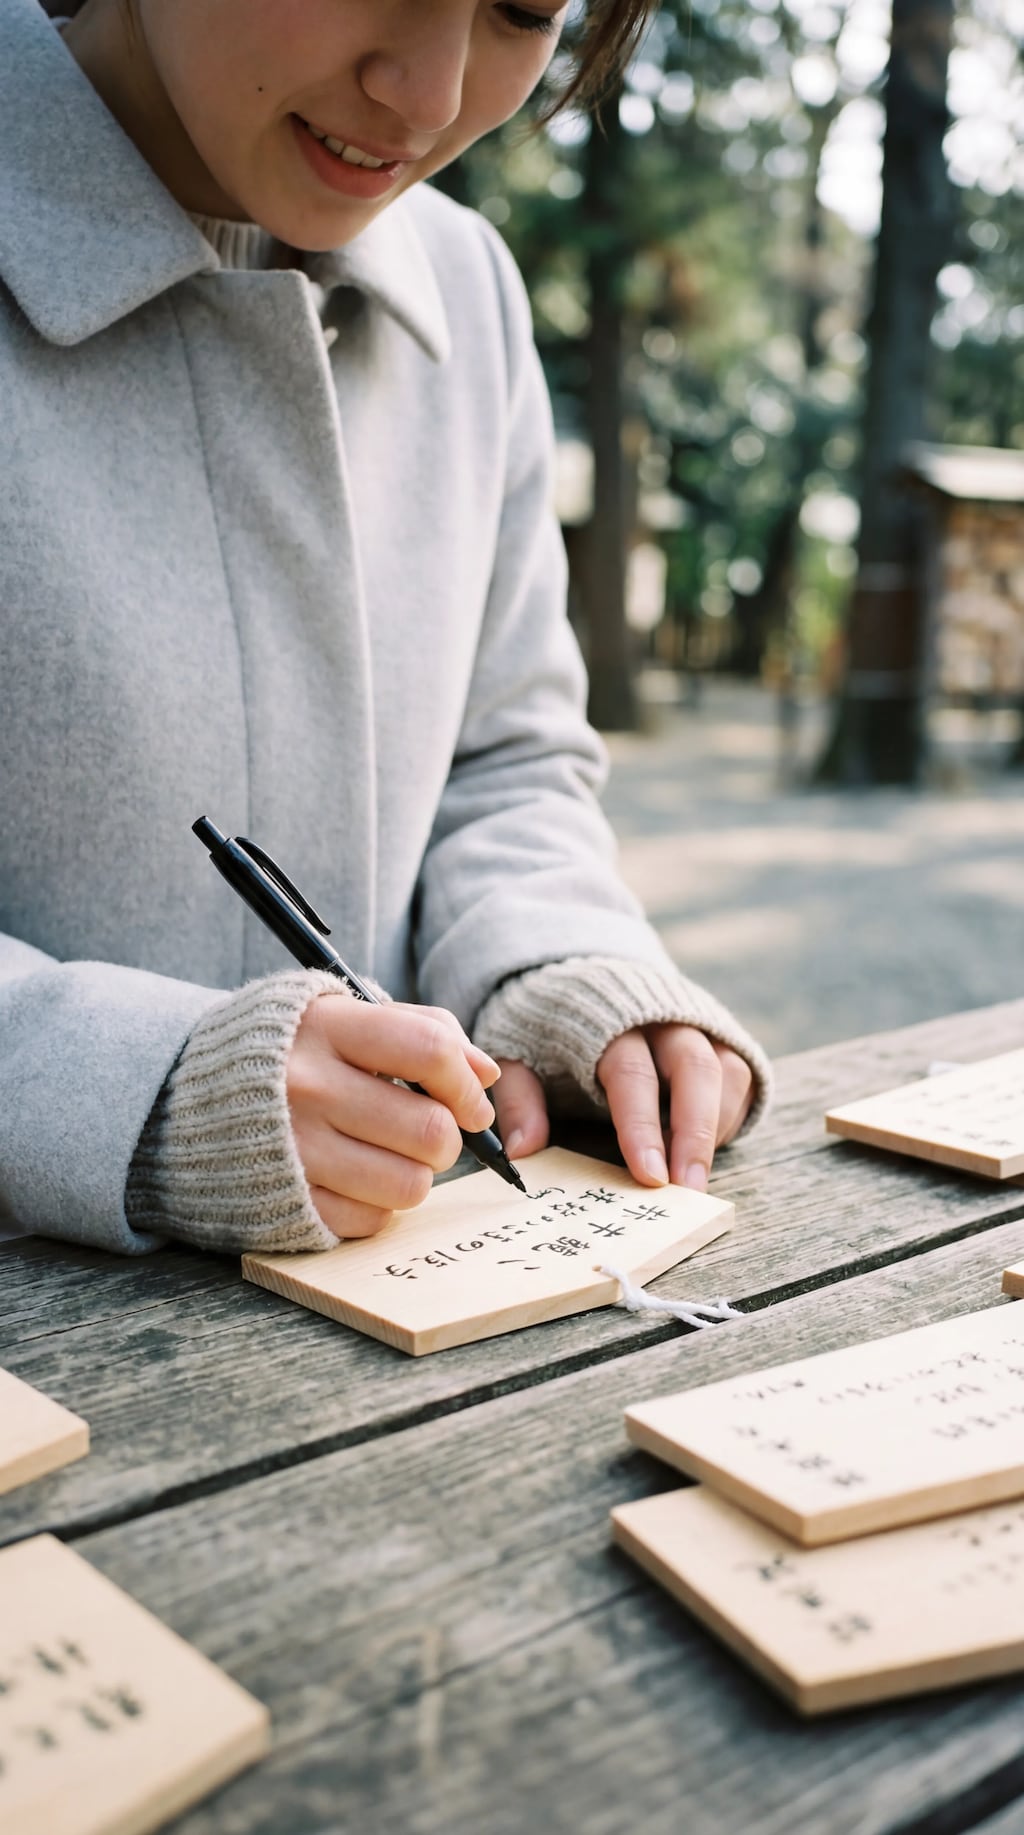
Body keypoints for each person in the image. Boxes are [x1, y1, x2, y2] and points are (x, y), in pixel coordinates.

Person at [0, 0, 771, 1260]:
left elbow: (503, 758)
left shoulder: (468, 290)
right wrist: (136, 1087)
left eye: (523, 9)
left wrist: (553, 963)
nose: (431, 95)